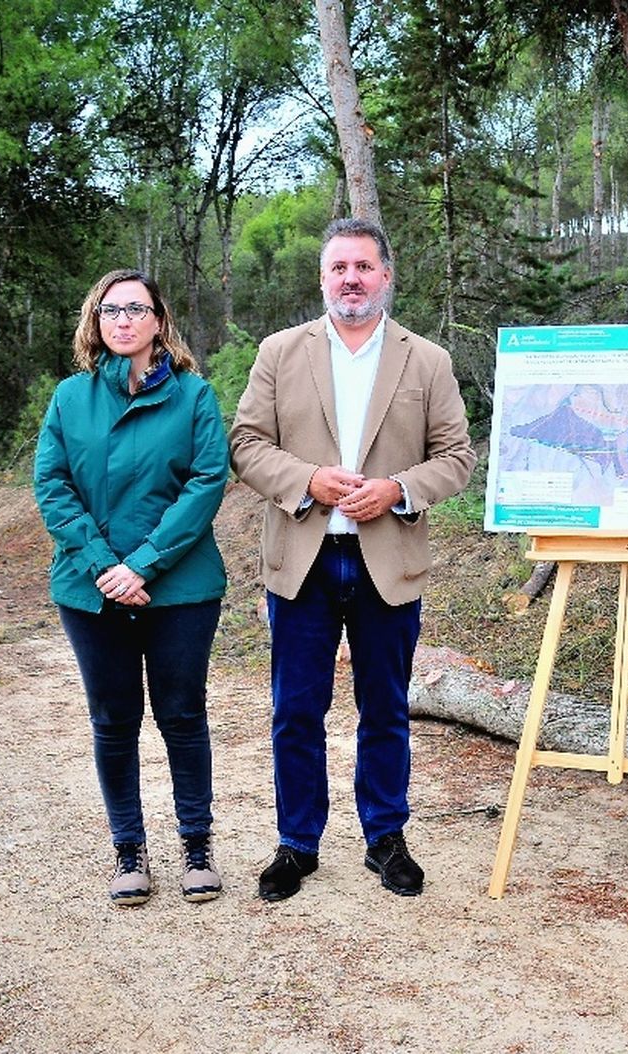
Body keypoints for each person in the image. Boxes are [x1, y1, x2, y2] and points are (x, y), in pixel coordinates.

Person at [230, 217, 476, 902]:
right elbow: (246, 444)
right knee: (295, 711)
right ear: (322, 278)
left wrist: (399, 489)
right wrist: (307, 479)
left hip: (387, 562)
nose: (351, 279)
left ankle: (385, 838)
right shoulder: (280, 352)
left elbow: (456, 457)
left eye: (364, 266)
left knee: (386, 709)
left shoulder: (426, 360)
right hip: (302, 560)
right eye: (339, 267)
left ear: (386, 275)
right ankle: (297, 843)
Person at [34, 269, 229, 906]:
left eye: (137, 310)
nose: (123, 320)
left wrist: (142, 565)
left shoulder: (194, 396)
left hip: (181, 588)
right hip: (91, 590)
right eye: (111, 310)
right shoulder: (71, 398)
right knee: (114, 720)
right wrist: (104, 566)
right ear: (96, 321)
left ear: (158, 321)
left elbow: (206, 482)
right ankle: (129, 849)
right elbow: (53, 487)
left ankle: (196, 845)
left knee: (182, 714)